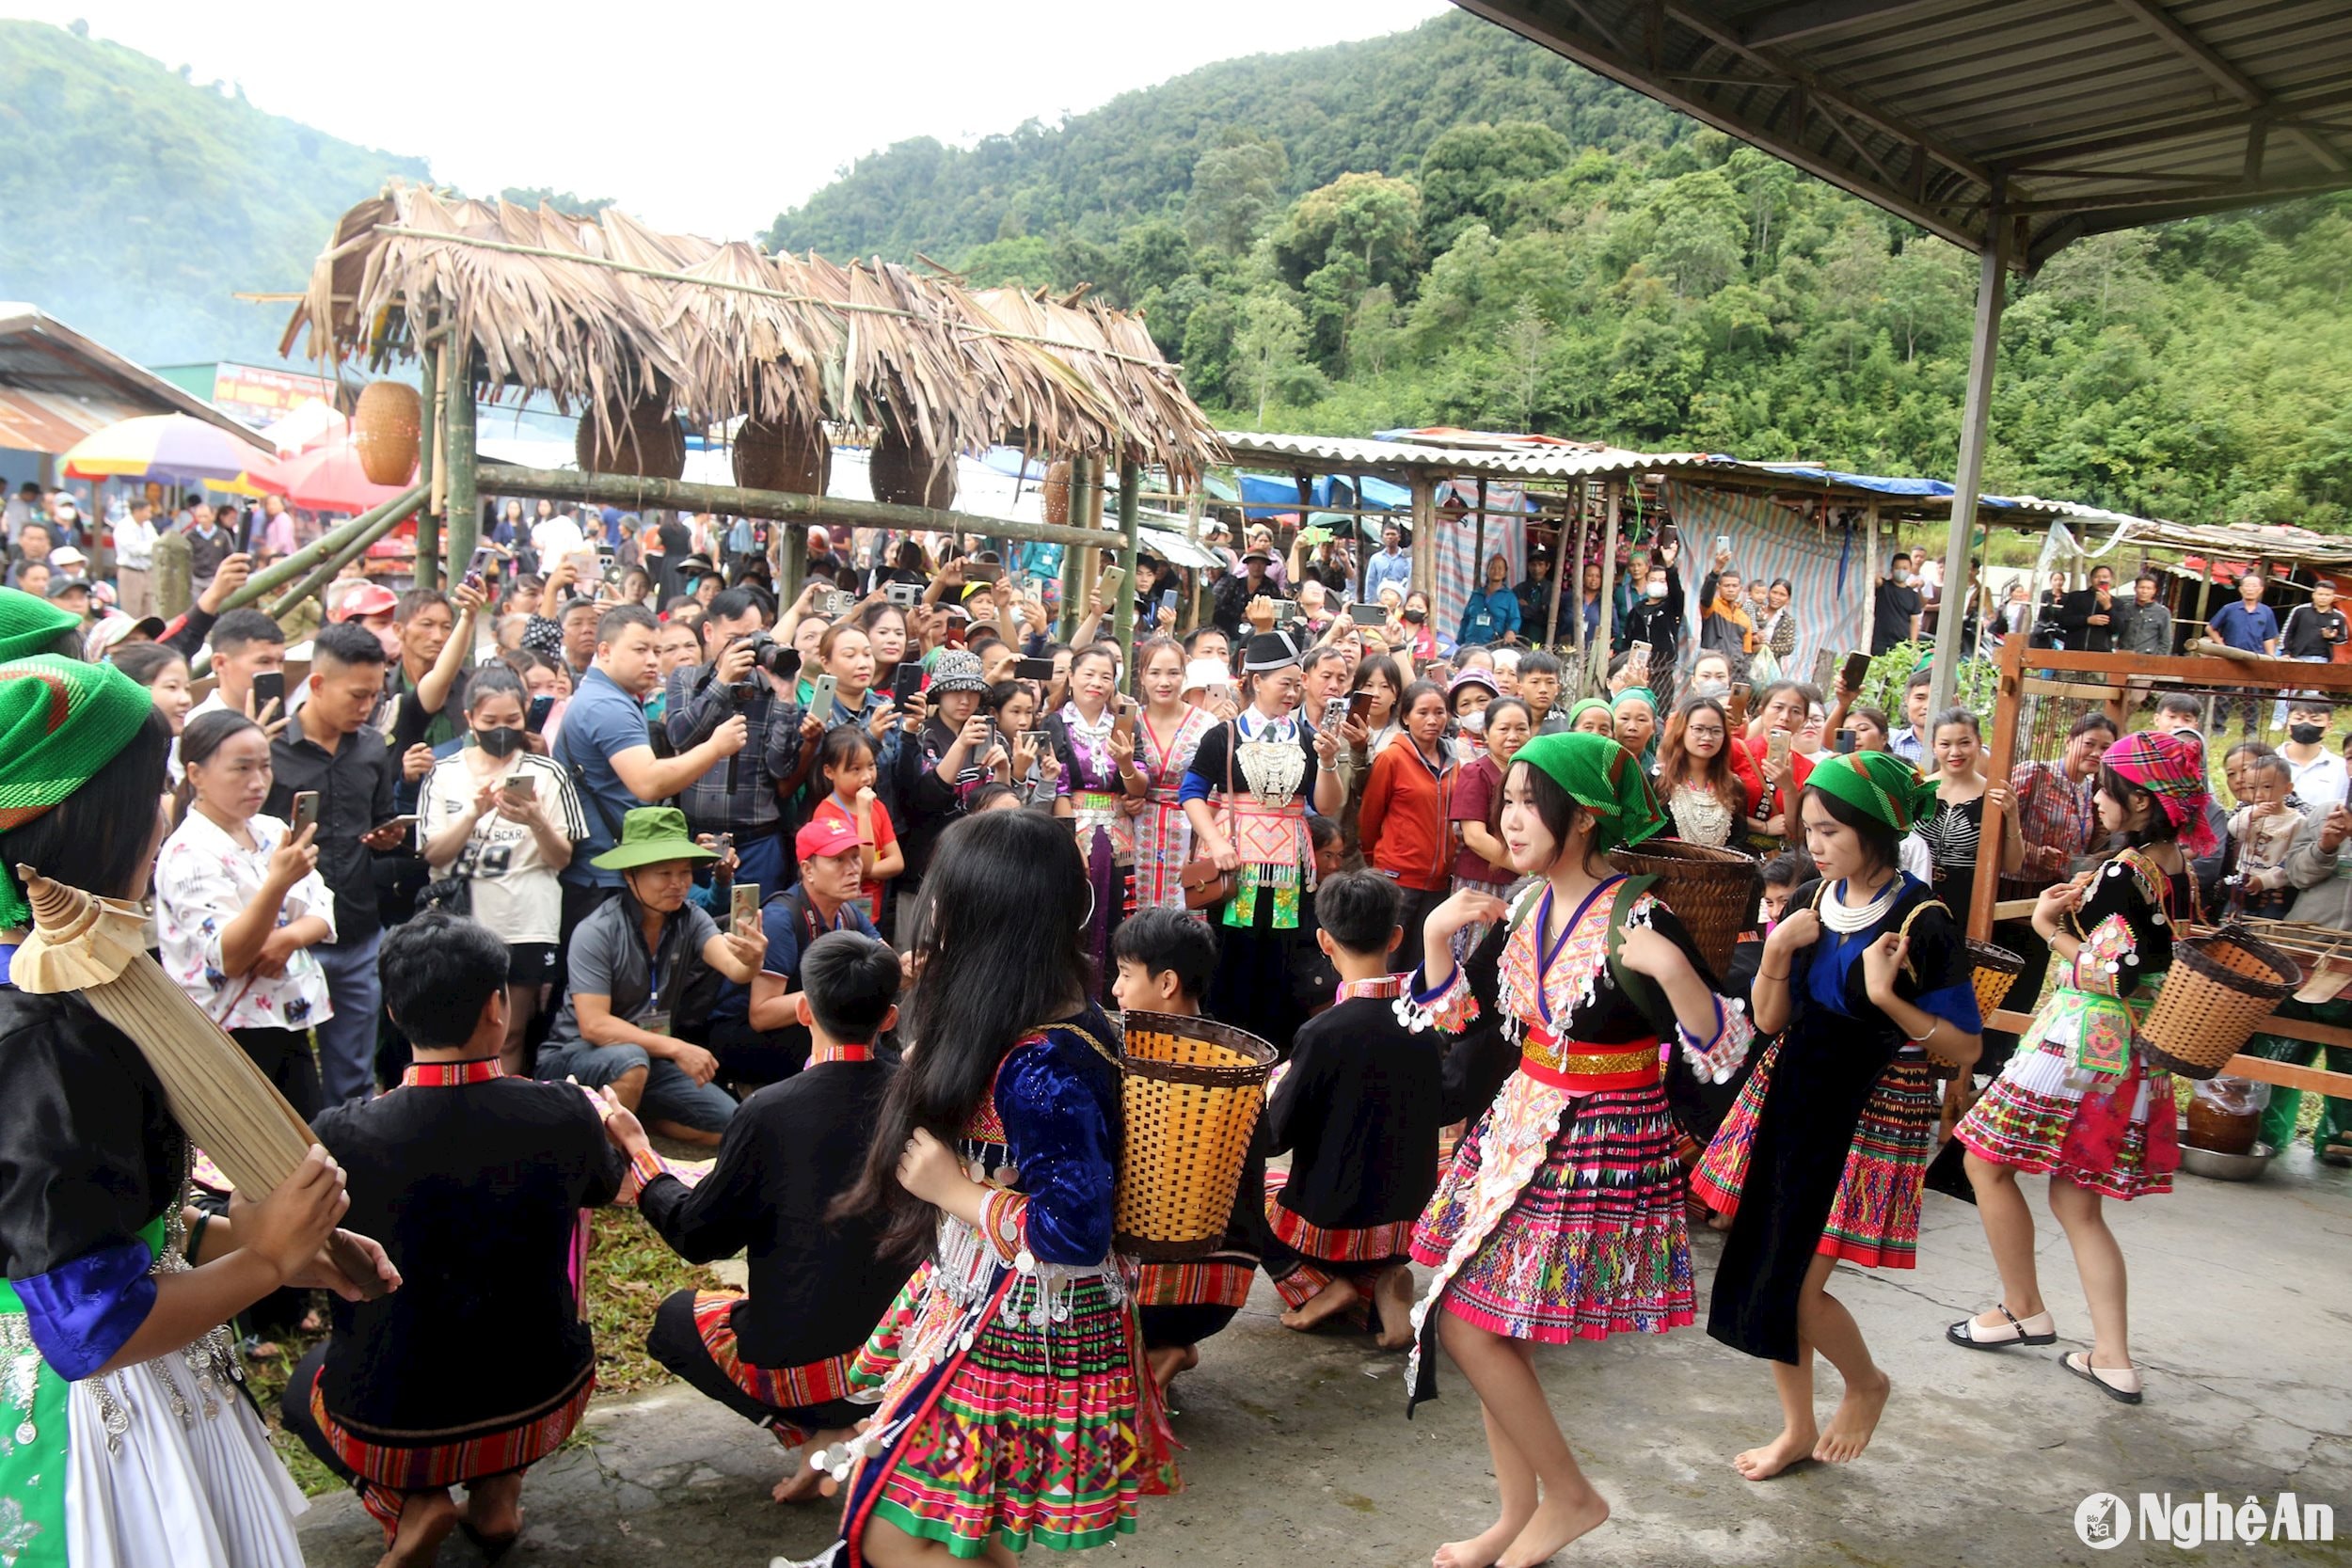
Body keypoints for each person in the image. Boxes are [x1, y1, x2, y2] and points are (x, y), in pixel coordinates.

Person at [0, 654, 392, 1567]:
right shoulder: (48, 1026)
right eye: (156, 786)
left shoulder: (63, 971)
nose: (164, 809)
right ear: (101, 817)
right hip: (105, 1438)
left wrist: (246, 1236)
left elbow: (98, 1214)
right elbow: (88, 1325)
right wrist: (267, 1258)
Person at [1401, 733, 1749, 1566]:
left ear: (1584, 818)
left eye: (1530, 803)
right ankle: (1518, 1512)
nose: (1509, 819)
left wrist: (1673, 971)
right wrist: (1437, 941)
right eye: (1508, 800)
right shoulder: (1522, 907)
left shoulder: (1642, 912)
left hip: (1598, 1136)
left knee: (1471, 1324)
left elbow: (1719, 1048)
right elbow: (1463, 1023)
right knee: (1487, 1323)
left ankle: (1571, 1497)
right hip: (1523, 1118)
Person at [808, 809, 1174, 1563]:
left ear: (987, 920)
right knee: (948, 1526)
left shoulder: (1041, 1064)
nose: (931, 917)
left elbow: (1075, 1233)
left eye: (948, 902)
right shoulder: (1041, 1027)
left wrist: (958, 1191)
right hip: (991, 1301)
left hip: (1025, 1319)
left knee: (895, 1524)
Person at [285, 911, 618, 1563]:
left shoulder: (340, 1135)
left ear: (396, 1011)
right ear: (498, 1007)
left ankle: (411, 1503)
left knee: (304, 1388)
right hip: (542, 1398)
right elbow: (603, 1187)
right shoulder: (566, 1111)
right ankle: (498, 1498)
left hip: (392, 1420)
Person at [1691, 752, 1981, 1478]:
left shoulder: (1925, 918)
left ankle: (1866, 1382)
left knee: (1800, 1286)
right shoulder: (1810, 902)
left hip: (1871, 1102)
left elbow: (1965, 1044)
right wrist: (1776, 955)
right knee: (1771, 1265)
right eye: (1808, 828)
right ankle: (1796, 1427)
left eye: (1828, 829)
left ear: (1873, 827)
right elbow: (1767, 1017)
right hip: (1794, 1095)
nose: (1814, 843)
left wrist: (1887, 997)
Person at [1947, 730, 2205, 1404]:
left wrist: (2044, 925)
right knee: (2075, 1199)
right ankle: (2111, 1356)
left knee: (1981, 1158)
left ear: (2141, 799)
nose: (2097, 795)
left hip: (2085, 1040)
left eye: (2107, 786)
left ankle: (2022, 1306)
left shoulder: (2124, 873)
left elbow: (2108, 971)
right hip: (2135, 1052)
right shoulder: (2176, 867)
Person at [628, 928, 915, 1503]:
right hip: (904, 1358)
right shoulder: (922, 1098)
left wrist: (643, 1162)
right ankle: (843, 1434)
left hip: (804, 1365)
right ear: (889, 1018)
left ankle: (820, 1436)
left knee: (677, 1320)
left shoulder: (769, 1110)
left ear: (804, 1009)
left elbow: (698, 1235)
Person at [1263, 870, 1512, 1345]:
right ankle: (1384, 1280)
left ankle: (1324, 1288)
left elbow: (1278, 1134)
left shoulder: (1321, 1033)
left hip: (1329, 1218)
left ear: (1324, 941)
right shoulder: (1422, 1024)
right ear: (1396, 936)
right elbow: (1445, 1105)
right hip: (1403, 1223)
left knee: (1256, 1194)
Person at [536, 807, 768, 1147]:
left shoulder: (691, 918)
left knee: (733, 1124)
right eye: (664, 873)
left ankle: (635, 1121)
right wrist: (677, 1048)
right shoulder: (597, 930)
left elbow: (735, 969)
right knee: (630, 1060)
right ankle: (608, 1170)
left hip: (649, 1059)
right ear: (631, 876)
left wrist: (753, 959)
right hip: (577, 1055)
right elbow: (594, 1025)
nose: (678, 884)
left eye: (684, 872)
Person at [1112, 910, 1264, 1388]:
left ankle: (1160, 1346)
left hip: (1167, 1292)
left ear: (1167, 983)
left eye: (1124, 974)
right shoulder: (1236, 1062)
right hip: (1226, 1286)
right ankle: (1164, 1348)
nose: (1115, 989)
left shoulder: (1161, 1066)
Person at [157, 707, 335, 1119]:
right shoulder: (188, 852)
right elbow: (232, 955)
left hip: (286, 1015)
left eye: (264, 766)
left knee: (310, 1149)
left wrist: (287, 938)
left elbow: (321, 907)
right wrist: (276, 885)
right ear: (196, 774)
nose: (257, 782)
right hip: (227, 1031)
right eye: (241, 769)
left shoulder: (271, 830)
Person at [417, 666, 588, 1073]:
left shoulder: (548, 774)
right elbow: (433, 854)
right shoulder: (444, 774)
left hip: (525, 919)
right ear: (470, 718)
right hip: (460, 920)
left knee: (510, 1029)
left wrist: (534, 819)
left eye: (512, 720)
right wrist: (472, 814)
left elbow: (562, 857)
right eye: (490, 721)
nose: (502, 730)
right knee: (456, 1027)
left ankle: (502, 1107)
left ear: (526, 712)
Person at [1184, 631, 1348, 1049]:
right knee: (1231, 954)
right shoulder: (1224, 736)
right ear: (1256, 681)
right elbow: (1192, 793)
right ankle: (1224, 1050)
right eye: (1284, 683)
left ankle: (1274, 1057)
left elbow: (1326, 806)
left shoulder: (1310, 741)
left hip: (1290, 869)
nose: (1293, 693)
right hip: (1235, 865)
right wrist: (1215, 843)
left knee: (1284, 955)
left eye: (1298, 685)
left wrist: (1329, 762)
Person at [265, 623, 407, 1104]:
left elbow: (381, 818)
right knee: (282, 1072)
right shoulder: (269, 750)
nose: (367, 706)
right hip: (286, 932)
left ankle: (351, 1165)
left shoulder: (370, 746)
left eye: (375, 695)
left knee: (352, 1073)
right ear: (318, 684)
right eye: (357, 695)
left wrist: (389, 835)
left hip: (357, 930)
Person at [556, 604, 749, 942]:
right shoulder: (607, 705)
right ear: (605, 651)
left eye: (656, 651)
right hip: (603, 876)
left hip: (609, 868)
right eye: (640, 649)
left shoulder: (608, 696)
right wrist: (716, 747)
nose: (652, 660)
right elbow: (647, 783)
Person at [711, 816, 886, 1085]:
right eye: (838, 860)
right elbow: (761, 1015)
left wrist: (908, 966)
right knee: (842, 1051)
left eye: (855, 857)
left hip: (796, 1023)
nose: (853, 869)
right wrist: (840, 988)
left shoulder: (847, 911)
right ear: (808, 870)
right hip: (740, 1034)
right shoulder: (781, 918)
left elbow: (885, 961)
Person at [663, 588, 811, 896]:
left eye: (754, 636)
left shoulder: (770, 686)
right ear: (708, 631)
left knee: (755, 929)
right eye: (735, 638)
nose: (747, 646)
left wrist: (785, 699)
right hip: (699, 839)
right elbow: (678, 735)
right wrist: (722, 682)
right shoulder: (686, 679)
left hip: (758, 840)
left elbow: (781, 769)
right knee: (700, 930)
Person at [1048, 645, 1146, 989]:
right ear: (1071, 677)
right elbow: (1058, 787)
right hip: (1075, 829)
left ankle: (1110, 994)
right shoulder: (1056, 723)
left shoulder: (1125, 724)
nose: (1097, 683)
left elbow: (1139, 786)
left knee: (1117, 913)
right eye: (1089, 674)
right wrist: (1071, 840)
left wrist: (1126, 764)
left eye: (1106, 676)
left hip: (1119, 833)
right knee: (1076, 913)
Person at [1359, 677, 1455, 943]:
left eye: (1439, 712)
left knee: (1424, 961)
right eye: (1422, 713)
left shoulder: (1453, 762)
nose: (1432, 720)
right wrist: (1376, 861)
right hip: (1397, 878)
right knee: (1391, 954)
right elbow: (1369, 816)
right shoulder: (1392, 758)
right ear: (1405, 717)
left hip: (1439, 883)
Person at [1131, 636, 1218, 913]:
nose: (1164, 682)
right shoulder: (1131, 721)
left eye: (1173, 673)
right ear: (1142, 675)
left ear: (1185, 674)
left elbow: (1215, 787)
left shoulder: (1206, 723)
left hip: (1190, 829)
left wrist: (1204, 839)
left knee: (1185, 915)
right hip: (1139, 827)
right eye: (1155, 673)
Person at [1915, 708, 2024, 906]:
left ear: (1979, 743)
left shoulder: (1994, 795)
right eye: (1945, 744)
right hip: (1912, 893)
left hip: (1967, 901)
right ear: (1933, 747)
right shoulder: (1917, 790)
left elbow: (2013, 865)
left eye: (1964, 743)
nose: (1955, 752)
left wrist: (2013, 816)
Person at [804, 725, 903, 928]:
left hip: (874, 908)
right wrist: (864, 814)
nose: (867, 776)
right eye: (855, 769)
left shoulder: (878, 807)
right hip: (840, 913)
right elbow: (864, 866)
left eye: (871, 766)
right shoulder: (826, 814)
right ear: (829, 772)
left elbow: (896, 862)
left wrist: (865, 871)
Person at [1657, 695, 1756, 849]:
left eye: (1716, 731)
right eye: (1698, 729)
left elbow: (1739, 841)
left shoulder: (1734, 786)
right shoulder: (1658, 780)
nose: (1707, 737)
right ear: (1681, 730)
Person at [2208, 571, 2281, 733]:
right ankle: (2218, 728)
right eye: (2247, 585)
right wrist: (2221, 646)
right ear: (2241, 589)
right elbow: (2210, 627)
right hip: (2231, 659)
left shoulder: (2266, 612)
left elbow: (2269, 637)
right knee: (2224, 694)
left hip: (2255, 659)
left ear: (2260, 590)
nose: (2250, 589)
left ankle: (2251, 729)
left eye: (2254, 586)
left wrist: (2271, 658)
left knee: (2253, 697)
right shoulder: (2229, 609)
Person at [2277, 697, 2347, 805]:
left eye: (2315, 720)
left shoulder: (2342, 768)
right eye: (2299, 719)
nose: (2306, 724)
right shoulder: (2269, 760)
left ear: (2329, 726)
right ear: (2287, 723)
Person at [2054, 564, 2120, 655]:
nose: (2101, 580)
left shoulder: (2117, 603)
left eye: (2105, 577)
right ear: (2091, 579)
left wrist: (2107, 606)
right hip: (2073, 651)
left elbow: (2118, 629)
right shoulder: (2076, 597)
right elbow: (2063, 622)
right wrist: (2087, 620)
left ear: (2111, 580)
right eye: (2097, 577)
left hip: (2101, 654)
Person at [1460, 553, 1521, 647]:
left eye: (1500, 568)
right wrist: (1459, 643)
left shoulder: (1509, 597)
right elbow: (1465, 620)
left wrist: (1511, 631)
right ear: (1487, 571)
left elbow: (1515, 619)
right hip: (1470, 644)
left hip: (1493, 646)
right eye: (1492, 567)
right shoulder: (1476, 594)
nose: (1496, 571)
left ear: (1505, 573)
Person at [1871, 551, 1923, 654]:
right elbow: (1875, 579)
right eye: (1897, 568)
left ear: (1910, 570)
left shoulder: (1913, 595)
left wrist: (1913, 645)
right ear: (1891, 570)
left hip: (1902, 644)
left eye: (1905, 568)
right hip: (1881, 642)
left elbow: (1914, 622)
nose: (1901, 571)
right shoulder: (1884, 587)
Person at [1885, 669, 1933, 767]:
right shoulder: (1889, 740)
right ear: (1907, 700)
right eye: (1920, 698)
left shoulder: (1962, 749)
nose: (1927, 706)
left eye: (1935, 699)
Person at [1611, 685, 1660, 772]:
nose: (1632, 727)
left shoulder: (1658, 774)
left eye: (1641, 720)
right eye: (1624, 718)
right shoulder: (1598, 766)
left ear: (1653, 727)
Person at [1511, 547, 1555, 640]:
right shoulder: (1520, 588)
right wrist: (1538, 608)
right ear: (1528, 566)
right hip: (1521, 636)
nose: (1536, 568)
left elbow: (1548, 616)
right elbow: (1514, 611)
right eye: (1533, 565)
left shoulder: (1553, 590)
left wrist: (1527, 607)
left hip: (1543, 637)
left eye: (1540, 564)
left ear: (1547, 566)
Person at [1365, 521, 1412, 603]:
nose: (1390, 537)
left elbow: (1409, 583)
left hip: (1400, 603)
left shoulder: (1407, 559)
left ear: (1399, 537)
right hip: (1380, 602)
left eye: (1393, 534)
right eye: (1387, 534)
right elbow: (1370, 583)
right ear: (1382, 537)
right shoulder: (1376, 559)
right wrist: (1369, 603)